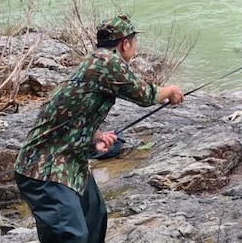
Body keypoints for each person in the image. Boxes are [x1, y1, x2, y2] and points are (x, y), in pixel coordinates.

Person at [14, 14, 184, 243]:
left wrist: (96, 137)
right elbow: (146, 95)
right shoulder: (107, 62)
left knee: (95, 217)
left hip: (71, 162)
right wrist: (171, 90)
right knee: (71, 237)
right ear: (126, 43)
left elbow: (72, 111)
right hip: (44, 169)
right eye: (134, 41)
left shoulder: (94, 60)